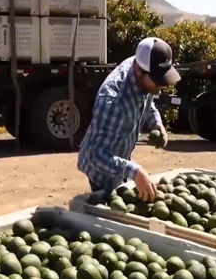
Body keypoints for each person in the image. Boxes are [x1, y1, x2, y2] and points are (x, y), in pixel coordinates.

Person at [77, 37, 181, 202]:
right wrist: (135, 172)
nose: (162, 85)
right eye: (158, 80)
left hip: (121, 158)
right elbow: (95, 156)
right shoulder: (112, 101)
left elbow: (147, 98)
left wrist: (156, 122)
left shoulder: (142, 67)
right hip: (101, 170)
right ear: (138, 71)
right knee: (108, 203)